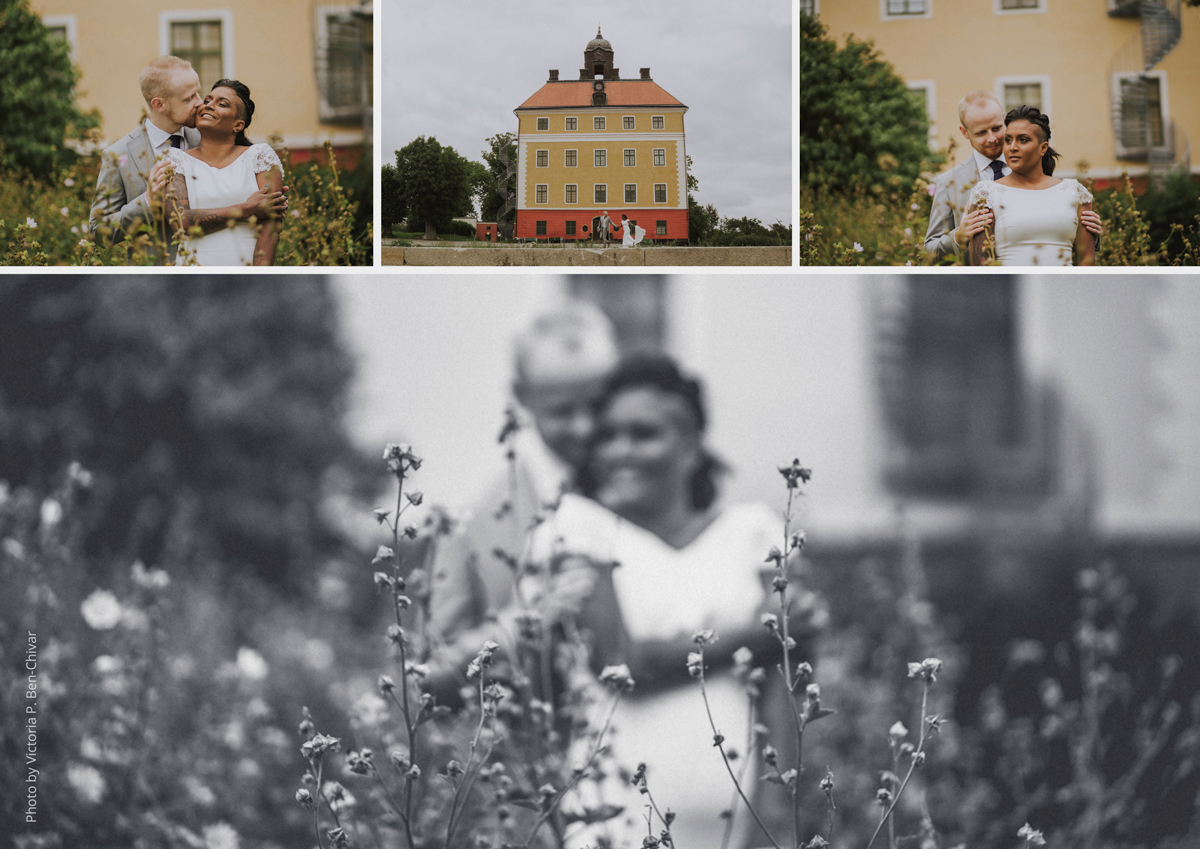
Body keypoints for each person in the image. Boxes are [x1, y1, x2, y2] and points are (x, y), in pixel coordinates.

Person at [524, 354, 824, 848]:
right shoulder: (577, 526)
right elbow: (624, 663)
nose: (619, 451)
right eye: (608, 435)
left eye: (643, 434)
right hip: (613, 820)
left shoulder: (754, 531)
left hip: (737, 824)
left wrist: (779, 812)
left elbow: (792, 674)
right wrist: (757, 637)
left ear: (690, 445)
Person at [427, 301, 621, 658]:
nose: (585, 427)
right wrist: (525, 623)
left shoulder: (645, 489)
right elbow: (431, 673)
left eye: (597, 405)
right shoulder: (472, 523)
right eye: (562, 411)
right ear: (521, 395)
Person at [88, 57, 283, 262]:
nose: (200, 103)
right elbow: (97, 232)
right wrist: (147, 202)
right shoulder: (118, 155)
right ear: (159, 104)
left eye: (199, 92)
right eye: (189, 98)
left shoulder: (211, 136)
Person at [924, 90, 1100, 261]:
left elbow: (1055, 226)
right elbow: (929, 250)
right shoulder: (949, 183)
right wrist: (958, 237)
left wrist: (1087, 232)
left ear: (1003, 118)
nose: (992, 138)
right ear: (964, 132)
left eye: (996, 128)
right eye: (981, 133)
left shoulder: (1034, 163)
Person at [160, 79, 285, 266]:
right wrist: (246, 209)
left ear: (238, 125)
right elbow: (180, 222)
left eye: (222, 104)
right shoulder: (176, 160)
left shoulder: (260, 158)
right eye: (208, 100)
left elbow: (270, 229)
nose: (209, 106)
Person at [960, 105, 1096, 266]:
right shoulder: (986, 194)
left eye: (1023, 140)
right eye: (1008, 140)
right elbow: (981, 266)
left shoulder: (1075, 192)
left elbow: (1087, 262)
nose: (1012, 147)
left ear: (1043, 148)